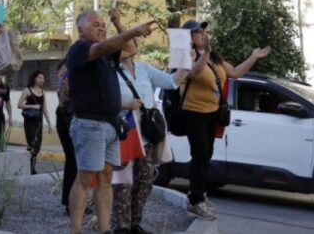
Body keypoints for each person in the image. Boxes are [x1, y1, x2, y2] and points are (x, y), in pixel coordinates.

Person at [66, 8, 153, 234]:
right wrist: (134, 30)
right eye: (95, 24)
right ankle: (75, 230)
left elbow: (131, 49)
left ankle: (104, 230)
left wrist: (118, 23)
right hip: (90, 125)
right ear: (81, 29)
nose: (101, 28)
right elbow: (102, 47)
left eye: (103, 24)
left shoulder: (107, 55)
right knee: (85, 178)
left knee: (105, 178)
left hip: (111, 125)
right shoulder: (79, 49)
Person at [179, 19, 270, 220]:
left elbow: (235, 73)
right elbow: (194, 74)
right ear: (189, 37)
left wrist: (253, 57)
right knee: (200, 155)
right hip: (193, 112)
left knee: (207, 155)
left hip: (212, 113)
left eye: (203, 31)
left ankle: (198, 194)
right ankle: (195, 201)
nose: (203, 34)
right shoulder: (187, 55)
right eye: (198, 32)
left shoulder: (213, 56)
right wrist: (205, 53)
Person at [110, 26, 198, 234]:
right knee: (123, 184)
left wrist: (187, 63)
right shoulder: (110, 72)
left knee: (145, 181)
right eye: (128, 42)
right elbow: (103, 102)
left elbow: (171, 82)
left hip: (147, 136)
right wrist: (126, 105)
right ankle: (121, 227)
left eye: (133, 41)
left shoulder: (144, 69)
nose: (133, 44)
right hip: (124, 135)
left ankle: (134, 223)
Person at [18, 71, 53, 175]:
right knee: (32, 143)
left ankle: (31, 166)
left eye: (43, 78)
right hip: (29, 122)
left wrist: (49, 124)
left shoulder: (43, 92)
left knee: (37, 145)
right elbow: (19, 105)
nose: (42, 80)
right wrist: (32, 106)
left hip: (39, 122)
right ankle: (30, 168)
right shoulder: (27, 90)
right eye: (40, 77)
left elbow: (45, 109)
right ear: (34, 79)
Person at [54, 60, 76, 215]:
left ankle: (70, 202)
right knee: (74, 161)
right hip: (69, 115)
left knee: (73, 161)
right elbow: (66, 95)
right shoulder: (70, 68)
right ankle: (71, 203)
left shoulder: (66, 67)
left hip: (65, 115)